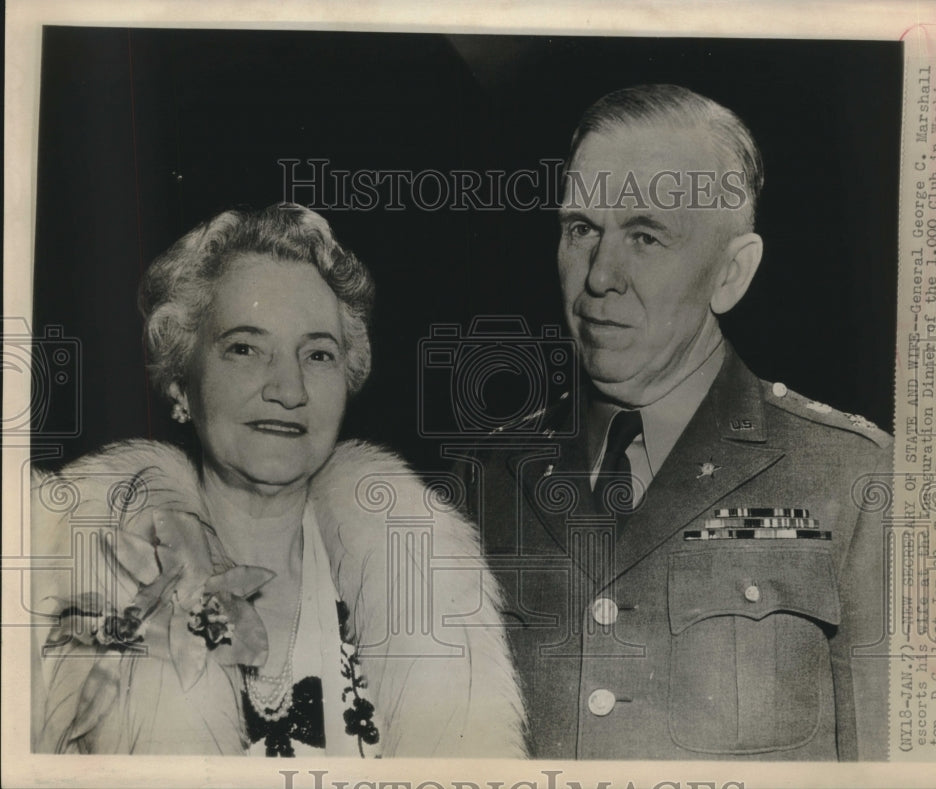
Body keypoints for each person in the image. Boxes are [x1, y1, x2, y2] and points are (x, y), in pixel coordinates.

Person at [463, 85, 891, 760]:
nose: (601, 275)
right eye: (581, 229)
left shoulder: (853, 478)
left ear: (731, 272)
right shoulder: (485, 482)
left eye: (646, 235)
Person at [31, 203, 525, 757]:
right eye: (245, 348)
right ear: (179, 382)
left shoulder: (425, 585)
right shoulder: (75, 582)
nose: (288, 389)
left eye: (317, 354)